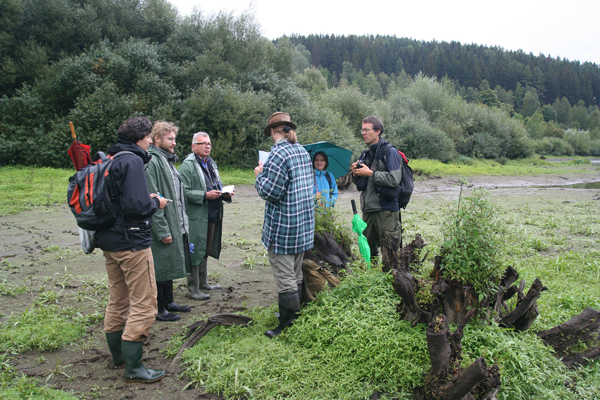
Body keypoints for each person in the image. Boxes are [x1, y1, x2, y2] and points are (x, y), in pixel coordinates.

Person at [94, 116, 169, 383]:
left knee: (118, 299)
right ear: (140, 138)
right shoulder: (133, 160)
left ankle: (119, 357)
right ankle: (135, 367)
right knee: (144, 303)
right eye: (149, 136)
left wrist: (143, 199)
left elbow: (120, 199)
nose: (150, 140)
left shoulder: (111, 158)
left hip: (109, 242)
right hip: (132, 243)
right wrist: (156, 203)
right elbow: (137, 206)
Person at [254, 112, 314, 338]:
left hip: (283, 226)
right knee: (296, 273)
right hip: (303, 225)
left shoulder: (277, 154)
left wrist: (260, 175)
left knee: (286, 276)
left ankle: (287, 324)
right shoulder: (302, 151)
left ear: (272, 131)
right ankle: (295, 317)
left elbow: (271, 192)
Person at [144, 121, 191, 322]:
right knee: (161, 265)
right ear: (157, 139)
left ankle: (169, 301)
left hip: (175, 220)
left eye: (174, 139)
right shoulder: (152, 162)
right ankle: (159, 308)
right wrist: (162, 230)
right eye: (170, 139)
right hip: (161, 225)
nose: (174, 143)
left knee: (169, 261)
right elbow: (152, 198)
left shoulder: (167, 160)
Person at [178, 132, 232, 300]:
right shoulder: (187, 166)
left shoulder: (211, 163)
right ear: (194, 146)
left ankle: (203, 282)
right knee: (195, 250)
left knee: (206, 249)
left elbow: (217, 184)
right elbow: (183, 192)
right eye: (203, 143)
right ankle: (193, 289)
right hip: (197, 216)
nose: (207, 146)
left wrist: (224, 193)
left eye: (209, 143)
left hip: (212, 213)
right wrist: (204, 195)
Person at [351, 116, 402, 272]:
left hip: (386, 210)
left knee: (390, 254)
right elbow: (361, 185)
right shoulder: (365, 153)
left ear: (378, 131)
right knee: (368, 253)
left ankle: (391, 286)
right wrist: (356, 173)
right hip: (368, 210)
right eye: (362, 130)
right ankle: (371, 284)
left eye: (367, 130)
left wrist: (371, 173)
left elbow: (394, 179)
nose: (363, 133)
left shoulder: (390, 152)